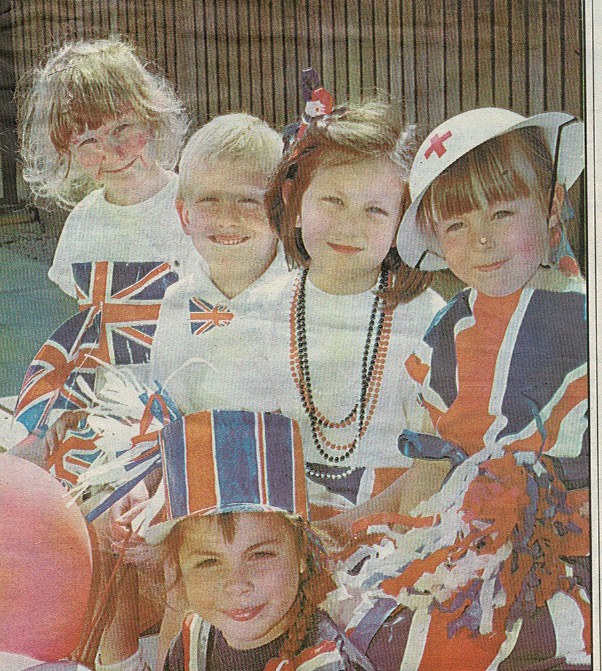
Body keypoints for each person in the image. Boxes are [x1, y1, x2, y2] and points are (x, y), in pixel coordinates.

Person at [374, 107, 590, 669]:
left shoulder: (583, 319)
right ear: (437, 243)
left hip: (566, 552)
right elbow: (429, 466)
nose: (482, 241)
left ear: (551, 208)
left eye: (501, 213)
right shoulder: (442, 334)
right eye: (457, 226)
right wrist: (407, 551)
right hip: (464, 541)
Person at [242, 100, 448, 523]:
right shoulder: (256, 311)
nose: (349, 225)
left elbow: (433, 470)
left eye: (375, 210)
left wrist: (353, 531)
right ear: (293, 201)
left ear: (402, 225)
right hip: (279, 529)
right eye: (333, 200)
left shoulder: (431, 321)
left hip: (397, 527)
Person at [114, 409, 377, 671]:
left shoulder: (325, 663)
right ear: (178, 567)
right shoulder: (194, 640)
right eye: (208, 562)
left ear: (301, 554)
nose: (236, 584)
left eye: (260, 555)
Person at [18, 36, 196, 299]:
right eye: (88, 141)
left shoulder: (197, 206)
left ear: (152, 117)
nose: (113, 154)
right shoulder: (82, 222)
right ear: (67, 151)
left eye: (121, 128)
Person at [150, 113, 289, 411]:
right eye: (209, 200)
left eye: (249, 201)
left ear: (281, 212)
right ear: (184, 216)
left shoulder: (302, 300)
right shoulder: (176, 301)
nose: (227, 218)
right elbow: (165, 404)